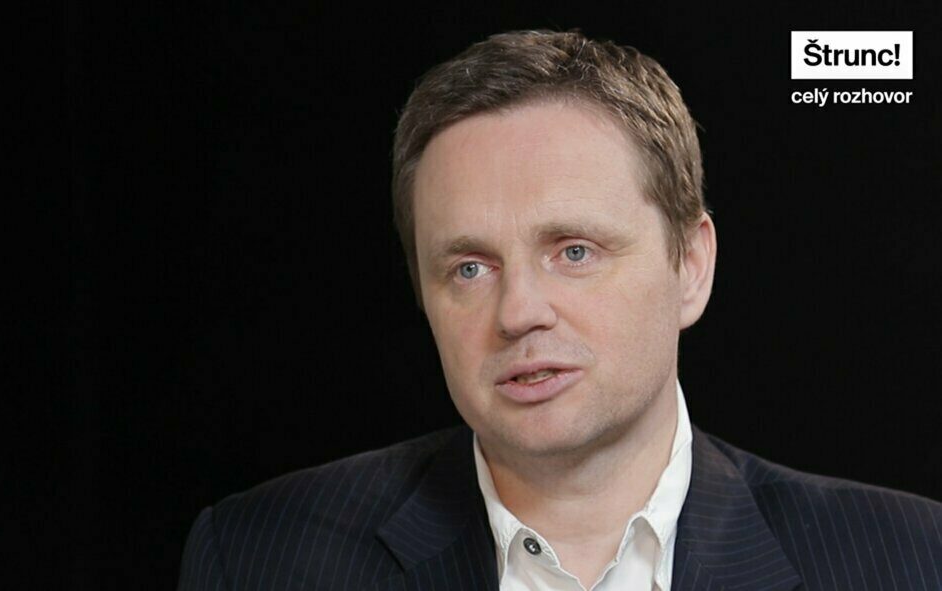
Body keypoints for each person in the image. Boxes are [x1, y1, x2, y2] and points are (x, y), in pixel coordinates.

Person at [177, 30, 942, 590]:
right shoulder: (255, 558)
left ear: (691, 266)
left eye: (573, 251)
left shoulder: (908, 559)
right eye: (470, 267)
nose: (517, 312)